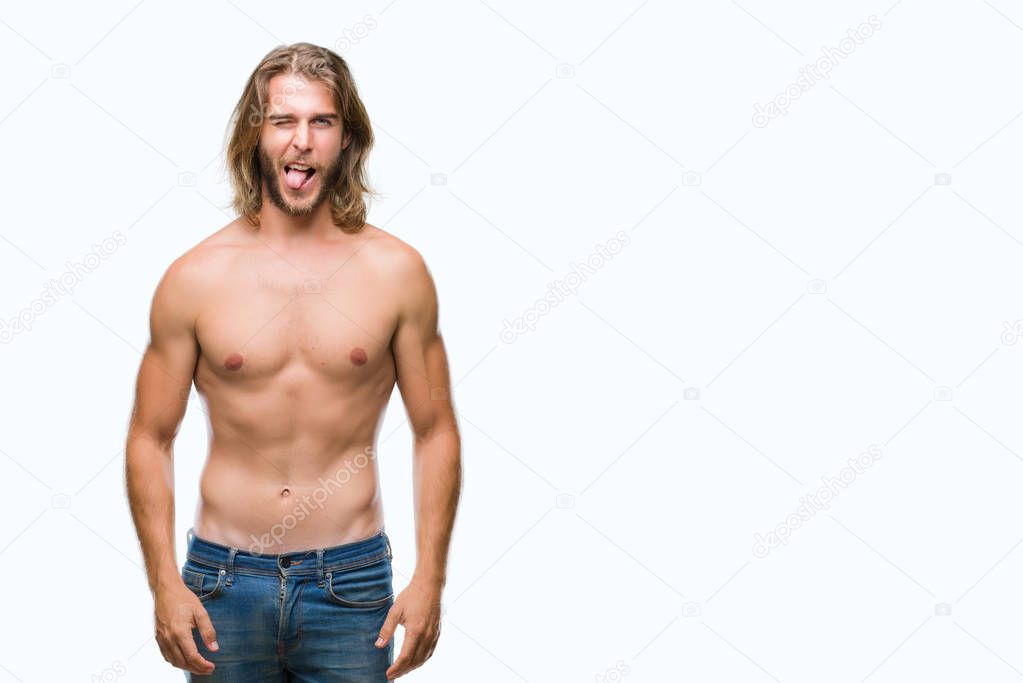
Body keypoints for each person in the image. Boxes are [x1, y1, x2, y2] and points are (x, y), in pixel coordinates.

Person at [124, 42, 462, 681]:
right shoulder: (194, 278)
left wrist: (430, 580)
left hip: (352, 585)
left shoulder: (397, 273)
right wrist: (163, 579)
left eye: (321, 122)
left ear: (346, 137)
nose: (301, 141)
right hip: (222, 583)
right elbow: (150, 435)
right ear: (256, 136)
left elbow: (435, 428)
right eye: (283, 121)